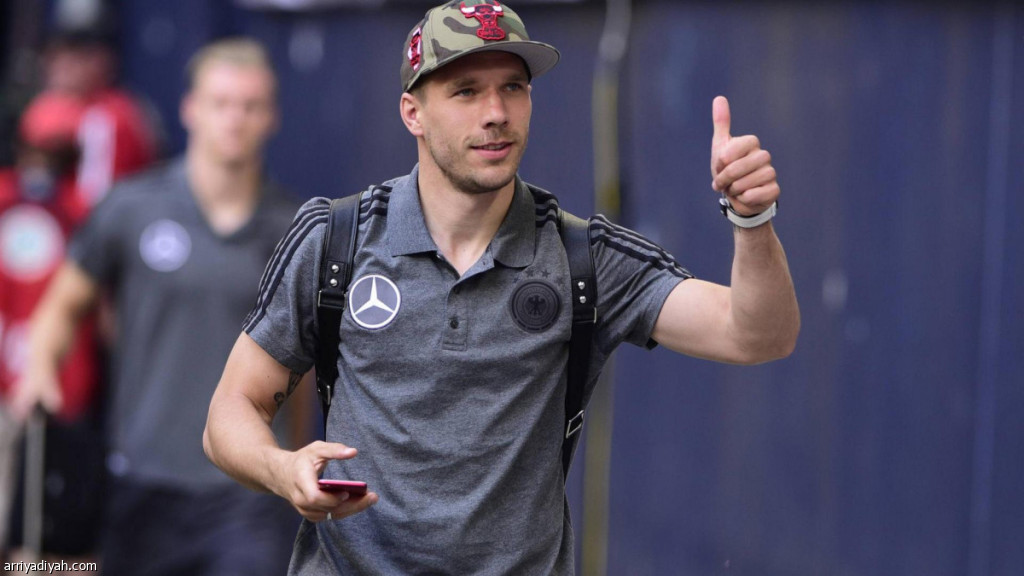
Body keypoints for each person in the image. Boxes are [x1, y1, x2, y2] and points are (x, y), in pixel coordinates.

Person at [203, 1, 800, 574]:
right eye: (466, 91)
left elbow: (759, 336)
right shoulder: (336, 239)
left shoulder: (583, 256)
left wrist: (751, 220)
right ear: (413, 113)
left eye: (513, 87)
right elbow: (230, 412)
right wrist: (282, 469)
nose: (496, 112)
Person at [12, 38, 302, 575]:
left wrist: (290, 461)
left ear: (272, 117)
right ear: (190, 109)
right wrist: (40, 368)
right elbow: (62, 305)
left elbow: (299, 368)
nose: (235, 118)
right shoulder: (131, 208)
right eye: (221, 103)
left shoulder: (296, 229)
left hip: (249, 491)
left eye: (251, 105)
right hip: (143, 481)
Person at [0, 91, 100, 560]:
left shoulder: (85, 211)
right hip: (22, 380)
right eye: (36, 150)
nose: (41, 165)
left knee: (44, 534)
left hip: (60, 386)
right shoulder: (10, 198)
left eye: (55, 154)